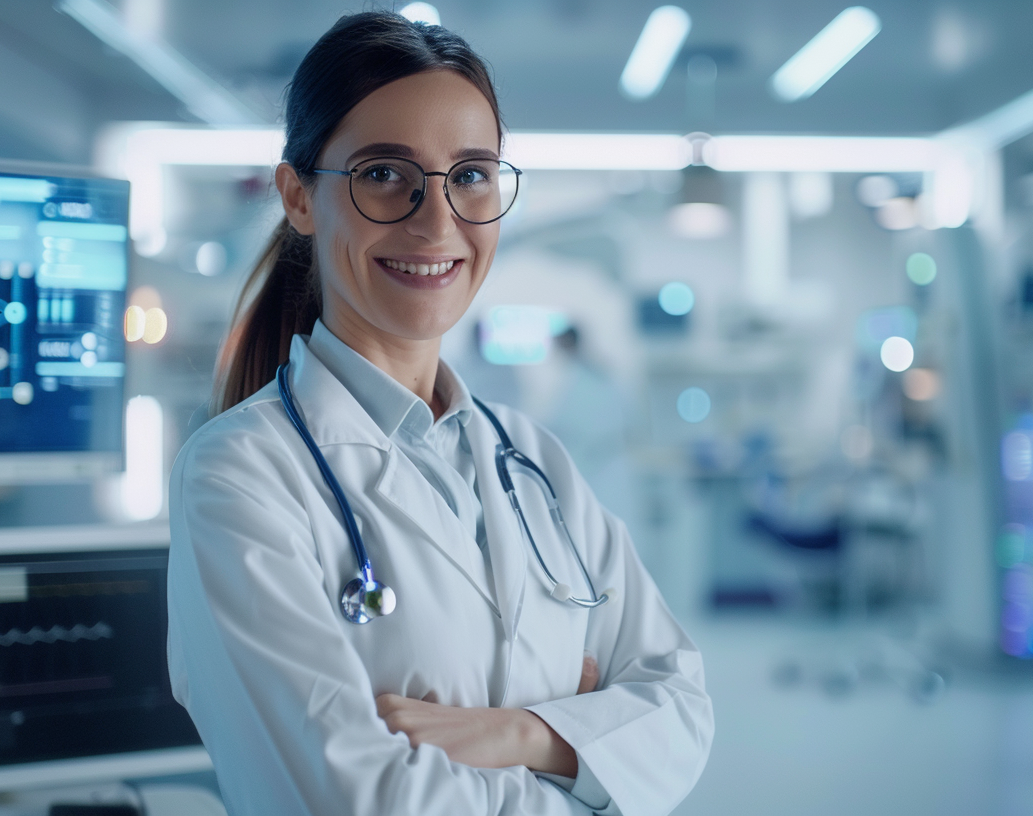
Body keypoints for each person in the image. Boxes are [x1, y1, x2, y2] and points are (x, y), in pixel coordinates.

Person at [165, 11, 712, 816]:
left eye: (471, 175)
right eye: (386, 174)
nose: (437, 219)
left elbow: (683, 712)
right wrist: (588, 741)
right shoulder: (241, 477)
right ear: (299, 199)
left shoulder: (533, 460)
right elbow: (362, 800)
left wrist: (514, 734)